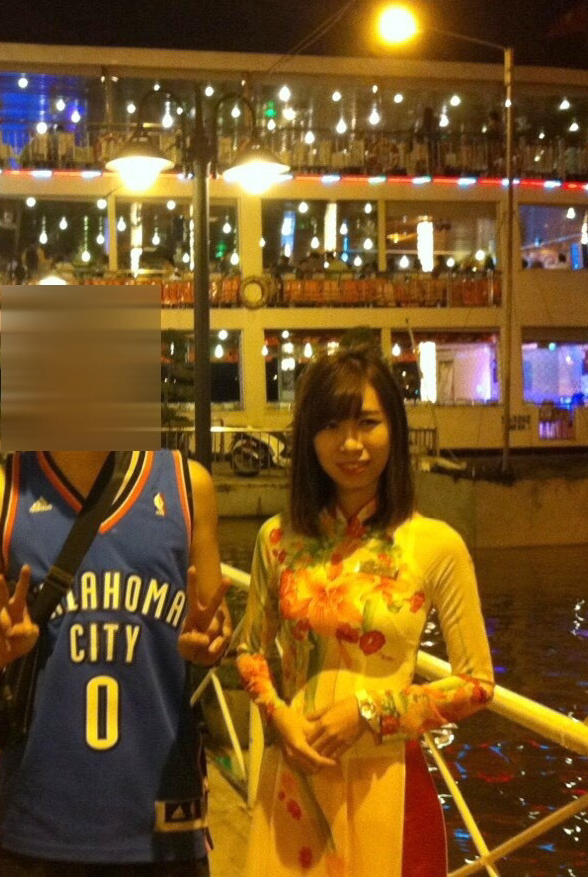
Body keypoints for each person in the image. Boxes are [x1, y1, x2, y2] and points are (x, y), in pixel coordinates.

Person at [236, 347, 494, 875]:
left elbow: (476, 684)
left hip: (389, 781)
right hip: (296, 778)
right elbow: (250, 652)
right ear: (309, 438)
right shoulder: (279, 540)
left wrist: (368, 713)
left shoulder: (435, 545)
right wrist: (279, 716)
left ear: (394, 429)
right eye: (331, 426)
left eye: (368, 423)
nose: (350, 444)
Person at [0, 448, 231, 876]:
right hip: (39, 813)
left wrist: (210, 641)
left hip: (163, 809)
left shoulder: (188, 486)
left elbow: (214, 619)